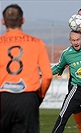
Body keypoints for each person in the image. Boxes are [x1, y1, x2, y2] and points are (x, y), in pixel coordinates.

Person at [0, 4, 52, 133]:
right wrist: (39, 95)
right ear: (23, 20)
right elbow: (47, 75)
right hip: (27, 98)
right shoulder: (37, 43)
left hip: (2, 98)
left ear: (3, 22)